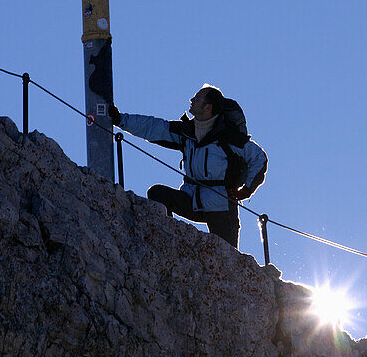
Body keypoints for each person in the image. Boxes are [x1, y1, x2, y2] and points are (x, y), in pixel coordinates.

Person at [109, 85, 267, 249]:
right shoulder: (187, 132)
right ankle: (166, 244)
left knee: (228, 259)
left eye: (197, 98)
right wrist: (121, 119)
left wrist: (247, 189)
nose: (192, 100)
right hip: (191, 199)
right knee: (157, 193)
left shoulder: (230, 138)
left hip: (221, 206)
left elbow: (259, 158)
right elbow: (154, 127)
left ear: (208, 107)